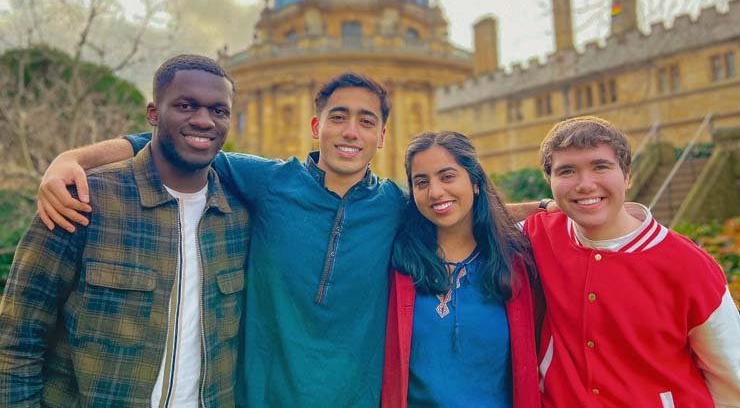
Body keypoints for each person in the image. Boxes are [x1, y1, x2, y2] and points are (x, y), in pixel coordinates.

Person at [33, 73, 547, 406]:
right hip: (265, 395)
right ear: (317, 126)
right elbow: (166, 144)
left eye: (365, 121)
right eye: (338, 117)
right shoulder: (269, 181)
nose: (350, 131)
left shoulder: (395, 204)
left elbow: (455, 209)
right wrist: (72, 159)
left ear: (381, 136)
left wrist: (550, 209)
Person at [0, 54, 250, 406]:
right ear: (153, 113)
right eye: (185, 106)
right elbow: (17, 339)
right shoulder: (84, 200)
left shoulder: (238, 217)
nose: (203, 120)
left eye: (218, 110)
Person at [525, 116, 740, 407]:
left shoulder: (689, 265)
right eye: (567, 171)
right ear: (549, 182)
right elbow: (472, 214)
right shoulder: (538, 234)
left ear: (627, 176)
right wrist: (541, 206)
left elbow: (732, 374)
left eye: (600, 167)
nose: (585, 184)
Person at [382, 131, 542, 408]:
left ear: (475, 182)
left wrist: (544, 206)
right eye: (421, 182)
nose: (435, 192)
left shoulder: (518, 261)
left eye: (447, 177)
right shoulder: (397, 262)